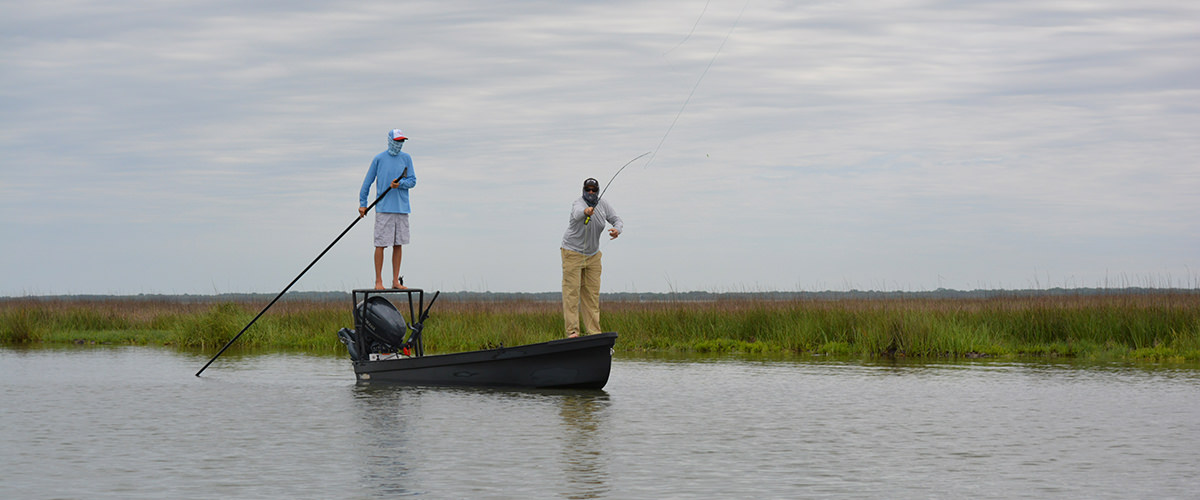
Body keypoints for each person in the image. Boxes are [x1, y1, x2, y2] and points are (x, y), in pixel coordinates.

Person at [561, 177, 623, 338]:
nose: (590, 193)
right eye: (587, 189)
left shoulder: (603, 204)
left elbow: (617, 219)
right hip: (572, 253)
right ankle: (573, 332)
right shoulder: (578, 204)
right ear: (583, 190)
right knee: (572, 294)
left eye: (593, 190)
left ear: (597, 191)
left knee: (591, 296)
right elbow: (576, 214)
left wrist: (617, 230)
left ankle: (594, 333)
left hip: (593, 255)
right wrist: (586, 211)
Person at [359, 129, 417, 290]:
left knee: (398, 244)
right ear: (390, 140)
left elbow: (412, 180)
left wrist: (400, 185)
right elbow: (367, 183)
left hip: (402, 208)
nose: (399, 144)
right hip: (384, 208)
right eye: (397, 141)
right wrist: (363, 204)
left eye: (402, 141)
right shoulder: (379, 159)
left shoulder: (406, 158)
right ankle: (378, 281)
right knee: (381, 244)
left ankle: (395, 281)